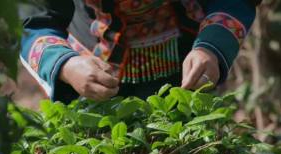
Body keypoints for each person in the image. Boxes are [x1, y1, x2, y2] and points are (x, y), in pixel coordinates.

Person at [20, 0, 261, 102]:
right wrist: (65, 65)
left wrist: (212, 46)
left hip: (188, 69)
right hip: (89, 75)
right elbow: (33, 17)